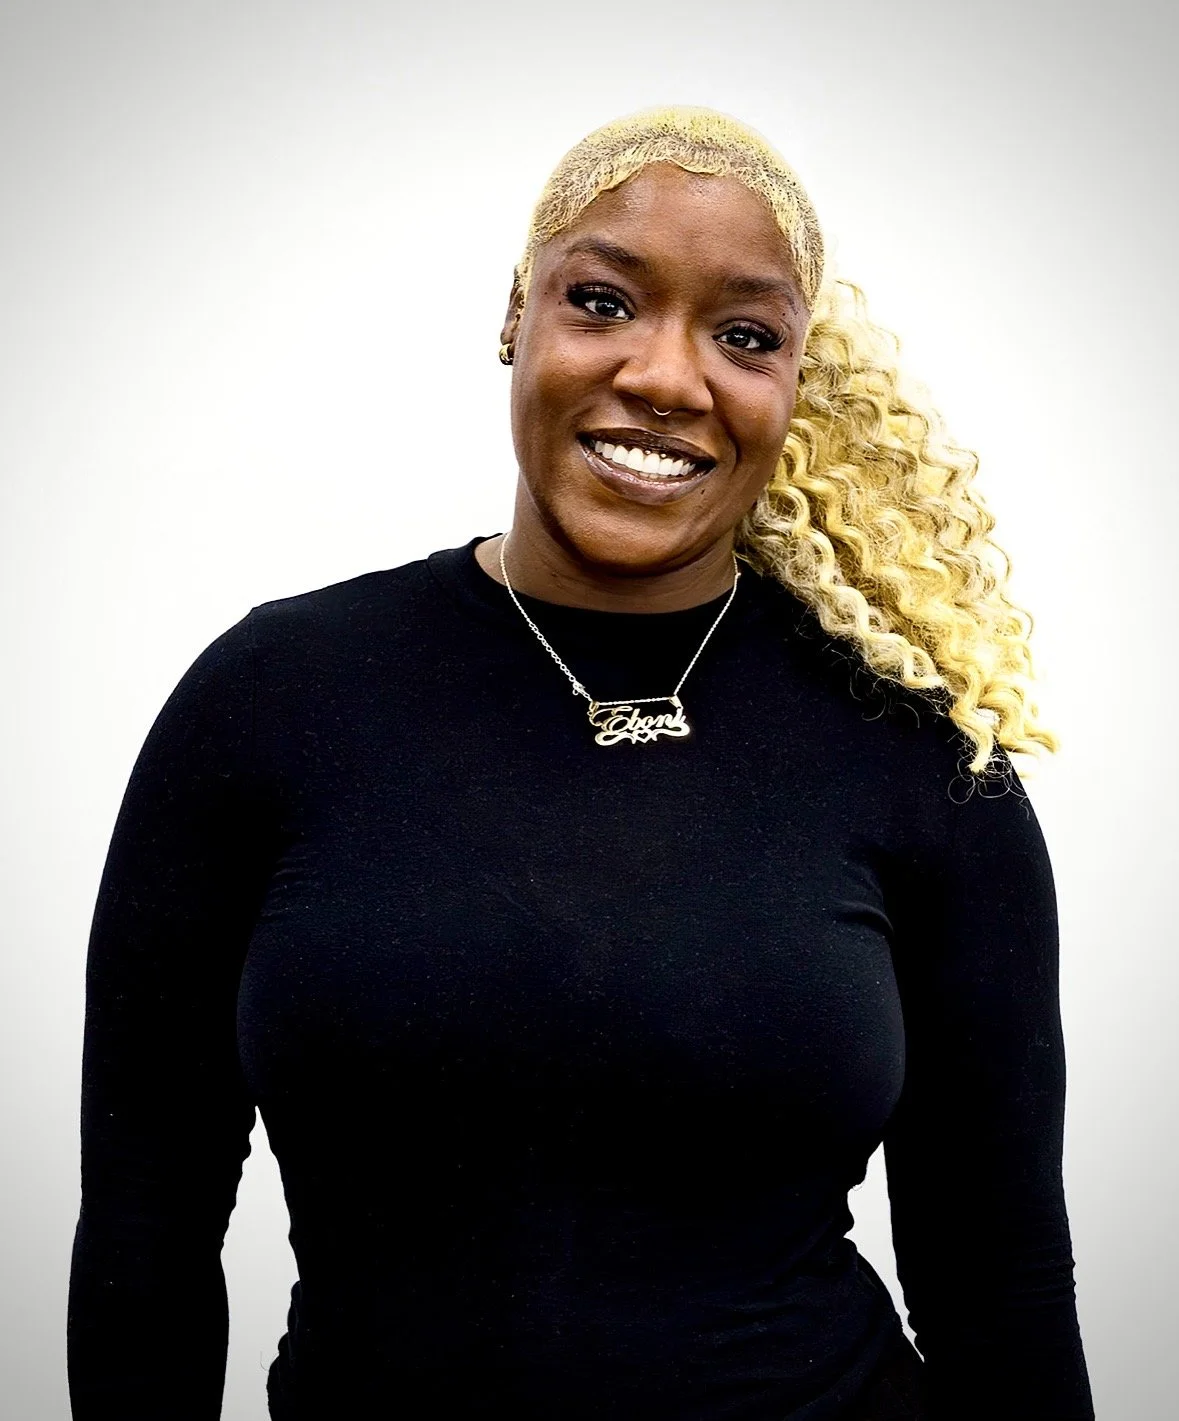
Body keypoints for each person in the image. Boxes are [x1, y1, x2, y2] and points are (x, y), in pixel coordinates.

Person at [66, 105, 1095, 1420]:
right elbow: (143, 1241)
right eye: (603, 300)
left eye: (743, 334)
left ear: (793, 385)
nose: (667, 377)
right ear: (516, 318)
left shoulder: (916, 758)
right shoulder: (273, 700)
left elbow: (997, 1280)